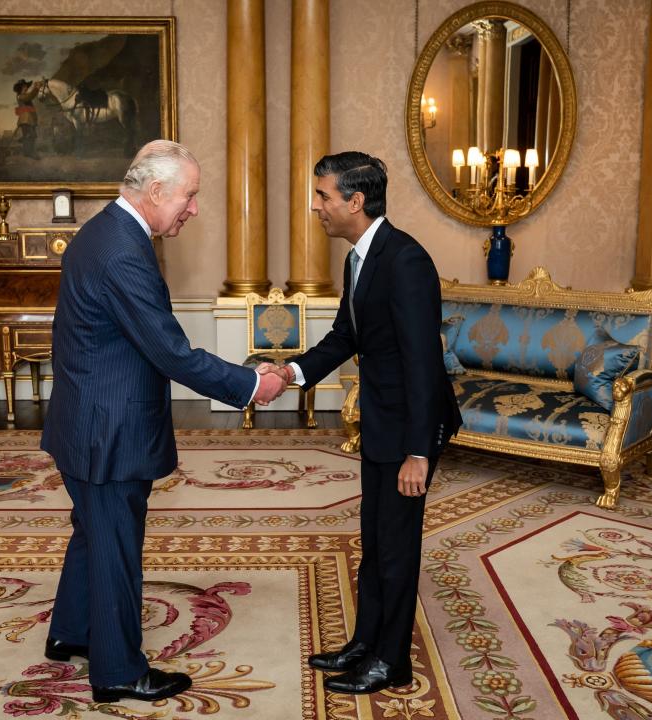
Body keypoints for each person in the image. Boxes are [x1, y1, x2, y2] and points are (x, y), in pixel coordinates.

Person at [40, 140, 286, 703]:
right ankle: (119, 672)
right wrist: (251, 384)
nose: (194, 209)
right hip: (108, 430)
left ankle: (73, 633)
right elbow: (172, 352)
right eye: (190, 196)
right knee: (115, 547)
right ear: (155, 192)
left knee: (92, 532)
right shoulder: (123, 250)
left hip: (86, 418)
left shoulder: (104, 230)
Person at [270, 151, 462, 694]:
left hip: (408, 432)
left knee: (398, 548)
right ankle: (365, 643)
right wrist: (292, 371)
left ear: (356, 201)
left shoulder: (405, 261)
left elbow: (424, 362)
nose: (317, 206)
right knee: (375, 542)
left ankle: (391, 661)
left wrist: (419, 452)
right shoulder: (358, 258)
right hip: (382, 423)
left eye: (324, 196)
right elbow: (346, 337)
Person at [13, 78, 40, 158]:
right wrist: (36, 88)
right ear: (20, 88)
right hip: (26, 120)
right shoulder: (20, 96)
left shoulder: (23, 95)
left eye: (26, 86)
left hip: (29, 119)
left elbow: (29, 96)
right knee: (30, 135)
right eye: (24, 86)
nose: (26, 88)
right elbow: (30, 96)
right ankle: (30, 153)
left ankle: (27, 153)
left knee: (29, 136)